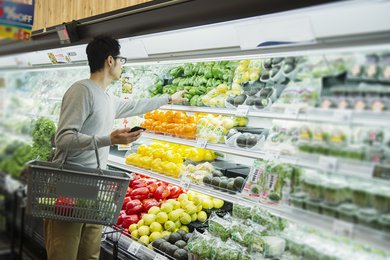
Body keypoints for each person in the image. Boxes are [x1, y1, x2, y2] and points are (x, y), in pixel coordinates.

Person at [44, 35, 186, 260]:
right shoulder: (81, 91)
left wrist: (168, 98)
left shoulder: (108, 97)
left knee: (90, 253)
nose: (122, 64)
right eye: (122, 60)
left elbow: (135, 105)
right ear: (110, 60)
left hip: (94, 185)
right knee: (63, 252)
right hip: (69, 183)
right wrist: (108, 139)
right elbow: (63, 138)